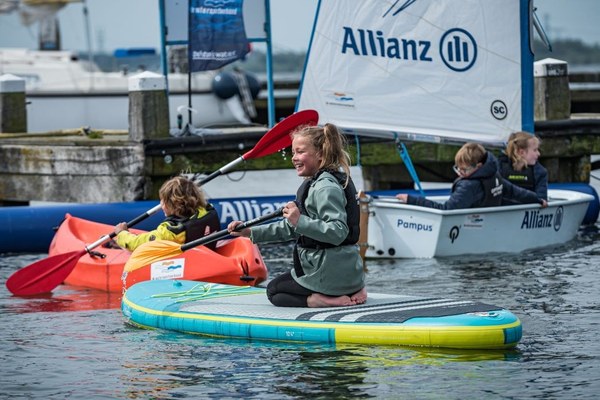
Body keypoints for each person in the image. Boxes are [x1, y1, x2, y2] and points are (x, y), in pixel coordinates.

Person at [227, 123, 367, 308]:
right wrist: (249, 232)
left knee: (275, 291)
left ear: (320, 154)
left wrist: (299, 220)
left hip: (330, 272)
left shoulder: (325, 187)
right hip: (349, 273)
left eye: (300, 152)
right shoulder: (323, 182)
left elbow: (338, 232)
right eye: (293, 153)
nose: (294, 158)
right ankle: (354, 288)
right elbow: (291, 229)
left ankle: (320, 300)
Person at [395, 142, 548, 209]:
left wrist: (412, 200)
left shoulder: (468, 186)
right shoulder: (494, 177)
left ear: (479, 166)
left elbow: (447, 209)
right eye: (458, 169)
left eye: (464, 170)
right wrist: (537, 199)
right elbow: (516, 192)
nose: (460, 173)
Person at [114, 176, 220, 252]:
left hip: (186, 267)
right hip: (207, 254)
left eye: (163, 201)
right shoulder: (206, 211)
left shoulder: (172, 232)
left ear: (174, 204)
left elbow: (139, 244)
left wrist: (122, 233)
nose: (161, 204)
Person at [498, 131, 548, 203]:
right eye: (535, 150)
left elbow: (542, 200)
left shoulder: (540, 172)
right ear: (521, 152)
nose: (539, 154)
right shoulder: (498, 167)